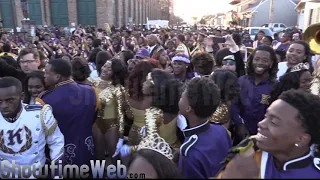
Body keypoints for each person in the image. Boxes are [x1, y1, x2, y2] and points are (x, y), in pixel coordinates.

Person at [218, 90, 320, 178]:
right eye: (266, 116)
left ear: (301, 139)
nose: (261, 123)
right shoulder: (248, 153)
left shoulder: (315, 173)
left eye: (274, 122)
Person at [36, 59, 97, 169]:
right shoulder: (91, 91)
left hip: (60, 155)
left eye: (47, 72)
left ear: (57, 77)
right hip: (87, 151)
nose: (44, 75)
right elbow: (93, 118)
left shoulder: (45, 100)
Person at [0, 77, 64, 178]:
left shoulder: (40, 113)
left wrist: (57, 175)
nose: (4, 105)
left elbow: (56, 142)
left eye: (9, 100)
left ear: (21, 96)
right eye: (0, 101)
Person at [178, 77, 232, 178]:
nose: (179, 99)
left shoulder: (189, 152)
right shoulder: (221, 130)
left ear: (188, 108)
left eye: (181, 97)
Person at [232, 45, 278, 141]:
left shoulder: (276, 86)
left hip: (264, 136)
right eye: (257, 59)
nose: (260, 63)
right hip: (240, 134)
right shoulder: (241, 81)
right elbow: (234, 105)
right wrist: (240, 125)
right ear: (251, 61)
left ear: (271, 63)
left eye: (265, 60)